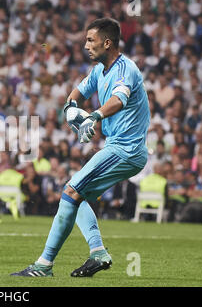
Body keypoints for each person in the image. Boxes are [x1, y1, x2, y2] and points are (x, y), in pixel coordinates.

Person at [12, 18, 150, 277]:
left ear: (107, 43)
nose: (85, 45)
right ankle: (97, 253)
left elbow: (119, 100)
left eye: (90, 40)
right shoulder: (99, 70)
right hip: (119, 147)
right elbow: (78, 92)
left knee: (70, 191)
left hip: (125, 149)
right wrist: (69, 107)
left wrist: (94, 116)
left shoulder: (125, 69)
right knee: (77, 195)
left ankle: (44, 265)